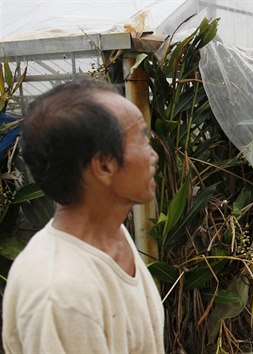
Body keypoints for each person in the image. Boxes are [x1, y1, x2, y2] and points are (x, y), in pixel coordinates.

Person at [2, 79, 164, 353]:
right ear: (103, 166)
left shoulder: (112, 235)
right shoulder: (61, 293)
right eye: (141, 138)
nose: (154, 155)